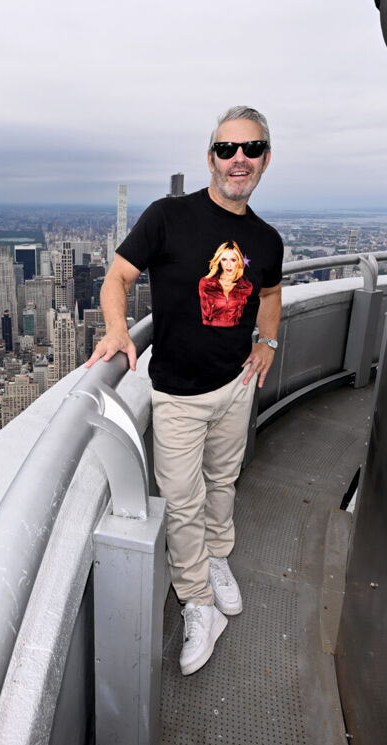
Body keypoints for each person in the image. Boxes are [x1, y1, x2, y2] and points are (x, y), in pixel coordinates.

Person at [86, 106, 284, 675]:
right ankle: (198, 601)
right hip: (176, 394)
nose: (238, 159)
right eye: (227, 149)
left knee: (224, 480)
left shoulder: (265, 239)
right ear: (211, 158)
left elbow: (268, 296)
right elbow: (118, 275)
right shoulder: (168, 216)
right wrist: (119, 329)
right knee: (181, 500)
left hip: (236, 385)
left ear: (265, 159)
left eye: (250, 149)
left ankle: (218, 556)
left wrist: (265, 344)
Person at [198, 241, 254, 326]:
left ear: (239, 261)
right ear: (219, 261)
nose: (228, 265)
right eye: (224, 259)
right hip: (207, 334)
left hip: (237, 335)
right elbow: (203, 314)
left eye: (233, 260)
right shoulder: (206, 284)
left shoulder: (246, 286)